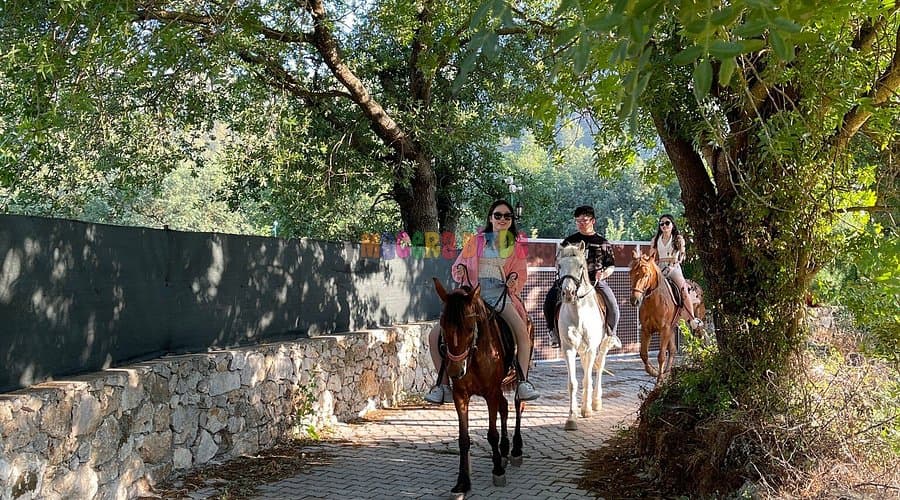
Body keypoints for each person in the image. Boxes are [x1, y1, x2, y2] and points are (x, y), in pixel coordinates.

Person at [424, 200, 540, 404]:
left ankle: (523, 382)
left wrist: (513, 279)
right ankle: (442, 386)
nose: (502, 219)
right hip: (472, 296)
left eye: (507, 216)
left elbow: (521, 274)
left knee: (523, 333)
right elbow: (459, 264)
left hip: (499, 295)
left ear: (511, 220)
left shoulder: (516, 246)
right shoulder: (475, 241)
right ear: (490, 218)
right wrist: (460, 270)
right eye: (498, 215)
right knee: (435, 336)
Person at [543, 205, 620, 348]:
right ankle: (552, 332)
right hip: (569, 280)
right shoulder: (569, 241)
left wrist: (603, 274)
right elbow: (557, 261)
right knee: (549, 300)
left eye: (584, 220)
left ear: (593, 221)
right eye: (578, 221)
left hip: (594, 281)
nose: (581, 224)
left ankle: (612, 334)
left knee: (613, 305)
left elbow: (611, 266)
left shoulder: (603, 243)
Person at [649, 214, 703, 329]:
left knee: (683, 288)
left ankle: (693, 318)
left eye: (667, 223)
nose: (664, 225)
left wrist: (674, 264)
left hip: (674, 267)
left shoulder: (678, 238)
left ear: (672, 225)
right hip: (660, 267)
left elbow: (682, 255)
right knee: (647, 286)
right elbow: (651, 256)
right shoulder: (655, 240)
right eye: (661, 224)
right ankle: (647, 315)